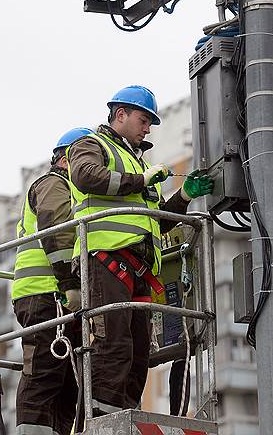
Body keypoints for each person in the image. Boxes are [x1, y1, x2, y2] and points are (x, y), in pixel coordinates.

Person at [66, 85, 212, 417]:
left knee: (138, 352)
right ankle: (103, 421)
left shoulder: (137, 165)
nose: (147, 130)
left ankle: (127, 418)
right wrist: (141, 179)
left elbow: (155, 223)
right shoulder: (90, 145)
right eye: (144, 121)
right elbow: (87, 177)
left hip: (138, 269)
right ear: (121, 115)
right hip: (104, 259)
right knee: (113, 346)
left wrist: (184, 197)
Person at [12, 127, 92, 435]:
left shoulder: (72, 193)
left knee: (66, 381)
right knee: (44, 369)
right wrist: (69, 284)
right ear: (64, 160)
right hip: (44, 292)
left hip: (56, 294)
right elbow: (57, 232)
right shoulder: (54, 185)